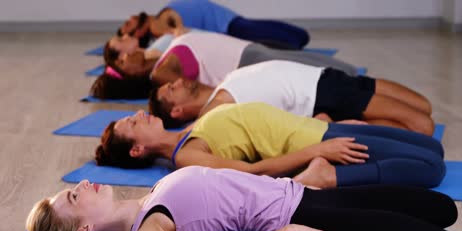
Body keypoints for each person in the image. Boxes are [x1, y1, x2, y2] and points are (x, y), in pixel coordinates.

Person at [26, 166, 462, 231]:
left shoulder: (148, 199)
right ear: (83, 228)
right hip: (304, 218)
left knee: (440, 208)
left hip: (303, 193)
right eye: (72, 196)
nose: (83, 184)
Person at [95, 102, 445, 189]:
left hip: (318, 127)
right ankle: (329, 178)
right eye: (132, 123)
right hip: (315, 143)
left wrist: (323, 121)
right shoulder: (185, 155)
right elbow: (253, 170)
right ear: (136, 150)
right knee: (432, 169)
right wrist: (317, 152)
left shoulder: (190, 128)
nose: (139, 113)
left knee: (434, 149)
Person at [150, 60, 434, 135]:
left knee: (424, 105)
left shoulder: (220, 86)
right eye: (171, 90)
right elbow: (188, 138)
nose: (176, 82)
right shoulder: (215, 111)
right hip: (320, 95)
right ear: (176, 111)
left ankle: (352, 122)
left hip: (328, 77)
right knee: (423, 126)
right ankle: (348, 125)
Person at [91, 31, 361, 99]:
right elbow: (198, 91)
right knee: (326, 72)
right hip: (246, 62)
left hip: (245, 49)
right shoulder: (161, 73)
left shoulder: (156, 56)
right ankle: (358, 87)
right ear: (129, 75)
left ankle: (357, 83)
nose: (125, 57)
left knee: (322, 65)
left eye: (122, 56)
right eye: (122, 63)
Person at [118, 1, 310, 50]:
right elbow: (174, 26)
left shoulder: (156, 20)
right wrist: (177, 28)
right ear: (139, 32)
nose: (131, 17)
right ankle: (297, 41)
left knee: (260, 28)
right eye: (128, 24)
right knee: (283, 37)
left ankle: (299, 38)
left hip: (222, 19)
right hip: (222, 25)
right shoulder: (156, 28)